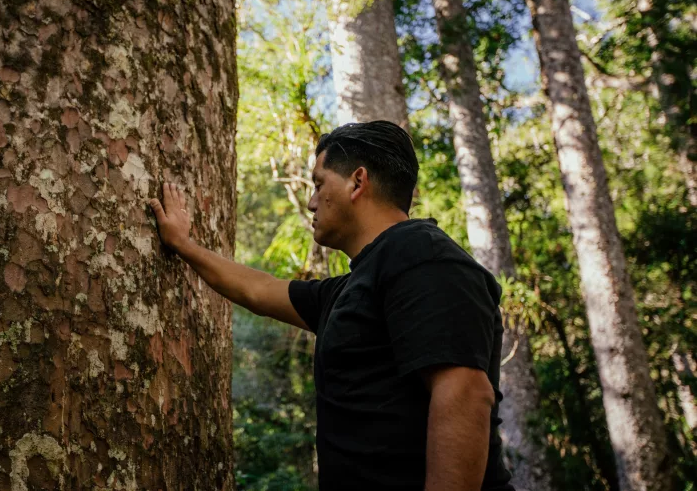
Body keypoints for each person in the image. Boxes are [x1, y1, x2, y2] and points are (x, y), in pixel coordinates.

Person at [148, 121, 515, 491]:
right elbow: (260, 290)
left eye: (319, 183)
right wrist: (184, 245)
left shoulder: (422, 255)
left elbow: (465, 392)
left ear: (357, 182)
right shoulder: (354, 287)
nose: (311, 201)